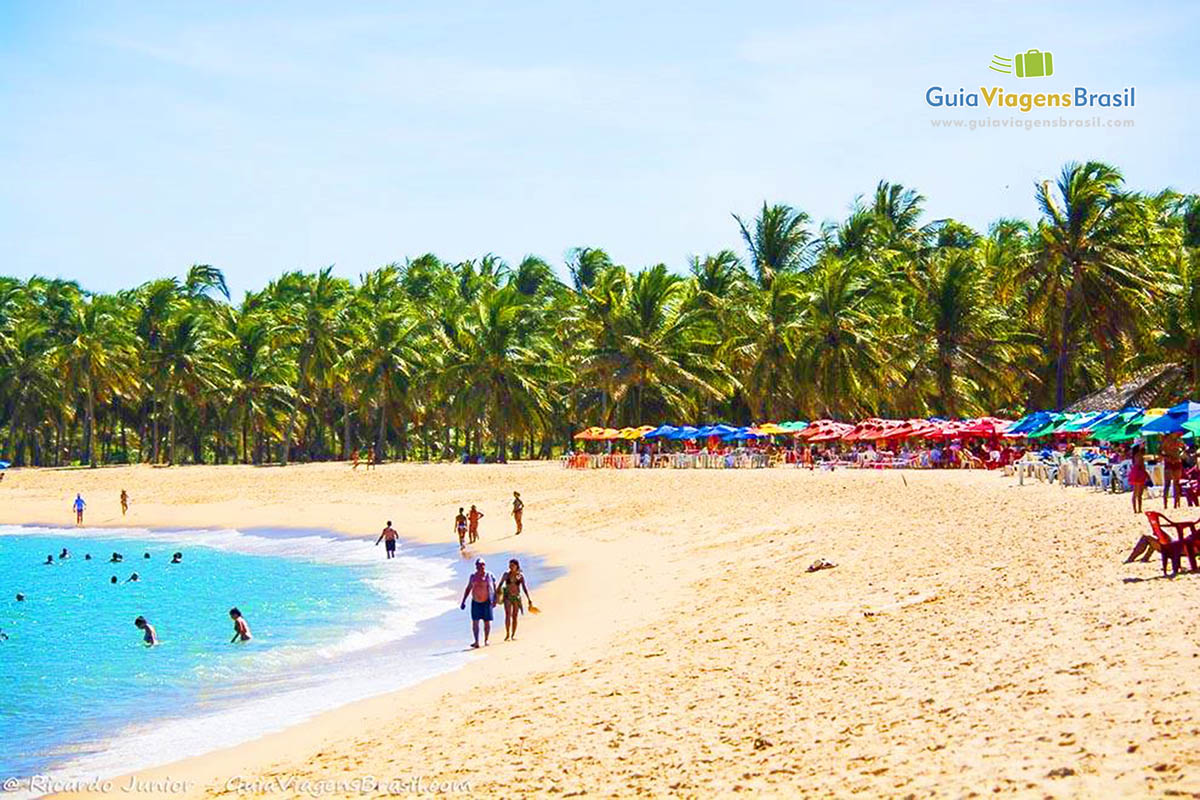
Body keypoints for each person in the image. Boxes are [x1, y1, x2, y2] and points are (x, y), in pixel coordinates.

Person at [459, 559, 496, 648]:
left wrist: (495, 599)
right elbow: (468, 589)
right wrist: (463, 601)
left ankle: (486, 640)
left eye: (482, 565)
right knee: (475, 622)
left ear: (484, 565)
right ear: (476, 567)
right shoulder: (473, 577)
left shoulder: (489, 576)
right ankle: (476, 641)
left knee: (487, 622)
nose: (480, 567)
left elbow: (494, 588)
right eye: (479, 565)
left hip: (486, 602)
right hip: (475, 602)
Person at [496, 558, 533, 641]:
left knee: (515, 616)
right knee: (507, 615)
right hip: (507, 596)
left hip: (516, 597)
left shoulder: (519, 576)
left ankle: (513, 635)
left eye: (512, 565)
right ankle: (507, 634)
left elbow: (524, 587)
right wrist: (496, 596)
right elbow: (500, 585)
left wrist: (529, 599)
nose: (511, 567)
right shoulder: (506, 575)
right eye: (510, 565)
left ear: (517, 566)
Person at [1163, 432, 1184, 509]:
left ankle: (1177, 503)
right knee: (1168, 484)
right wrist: (1167, 457)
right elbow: (1160, 452)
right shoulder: (1166, 440)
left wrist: (1180, 454)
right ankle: (1165, 504)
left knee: (1176, 483)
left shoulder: (1179, 441)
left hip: (1176, 462)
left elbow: (1183, 449)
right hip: (1169, 462)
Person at [1129, 442, 1149, 514]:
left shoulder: (1134, 456)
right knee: (1140, 493)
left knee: (1135, 492)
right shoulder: (1140, 456)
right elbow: (1142, 466)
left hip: (1134, 472)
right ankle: (1139, 509)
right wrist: (1147, 475)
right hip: (1139, 473)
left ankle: (1135, 509)